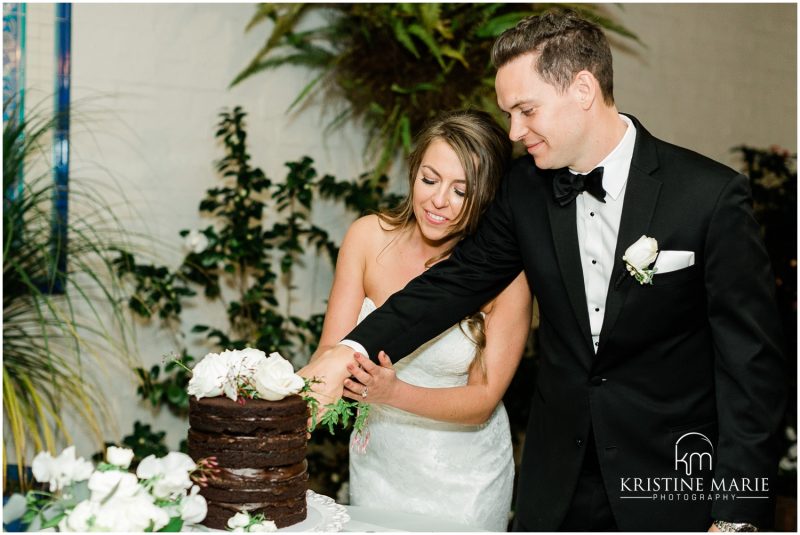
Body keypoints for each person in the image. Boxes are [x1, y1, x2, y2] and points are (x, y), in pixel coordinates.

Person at [301, 9, 786, 532]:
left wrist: (736, 516)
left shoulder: (708, 197)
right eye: (508, 113)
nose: (513, 131)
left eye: (526, 110)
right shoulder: (524, 190)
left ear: (582, 88)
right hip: (557, 482)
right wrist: (347, 350)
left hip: (670, 480)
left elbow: (751, 369)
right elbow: (452, 283)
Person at [308, 109, 531, 531]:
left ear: (488, 198)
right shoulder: (367, 238)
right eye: (429, 179)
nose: (438, 201)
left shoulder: (505, 276)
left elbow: (483, 399)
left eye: (461, 191)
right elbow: (331, 350)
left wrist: (393, 392)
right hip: (379, 465)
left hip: (464, 479)